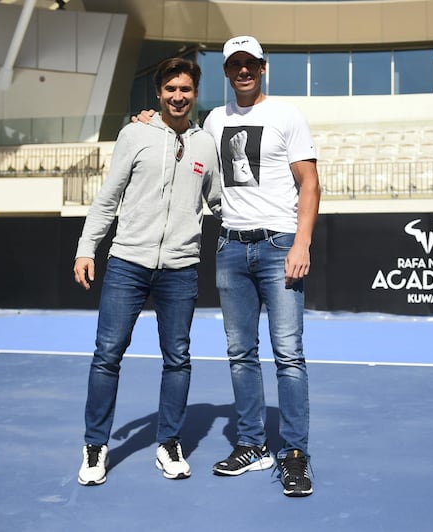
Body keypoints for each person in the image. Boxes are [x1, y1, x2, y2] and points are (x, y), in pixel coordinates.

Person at [136, 35, 320, 496]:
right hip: (231, 248)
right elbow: (177, 132)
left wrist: (302, 244)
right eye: (235, 64)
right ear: (227, 70)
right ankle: (253, 446)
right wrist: (145, 122)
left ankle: (294, 454)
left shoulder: (287, 116)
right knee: (241, 356)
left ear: (262, 67)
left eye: (250, 64)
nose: (243, 70)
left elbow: (310, 183)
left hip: (279, 246)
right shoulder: (215, 119)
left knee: (288, 355)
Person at [74, 57, 221, 486]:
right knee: (107, 357)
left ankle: (168, 442)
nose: (178, 96)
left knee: (178, 358)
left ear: (195, 95)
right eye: (171, 89)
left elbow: (217, 201)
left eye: (186, 90)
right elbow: (108, 197)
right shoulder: (134, 133)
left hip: (180, 268)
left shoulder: (205, 144)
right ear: (158, 93)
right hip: (127, 263)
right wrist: (87, 248)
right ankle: (95, 445)